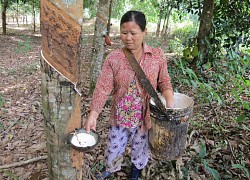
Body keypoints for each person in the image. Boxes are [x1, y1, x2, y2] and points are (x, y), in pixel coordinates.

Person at [84, 10, 174, 180]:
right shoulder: (114, 58)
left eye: (133, 33)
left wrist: (169, 103)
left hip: (145, 117)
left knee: (140, 149)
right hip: (120, 116)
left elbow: (164, 82)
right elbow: (103, 87)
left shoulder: (157, 56)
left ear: (144, 32)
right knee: (114, 147)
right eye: (124, 33)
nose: (128, 38)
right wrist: (93, 114)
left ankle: (136, 170)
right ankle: (111, 168)